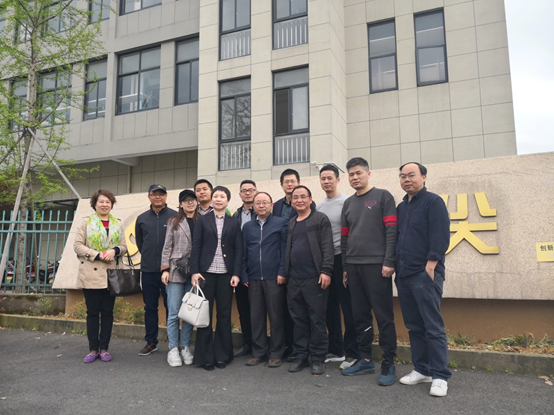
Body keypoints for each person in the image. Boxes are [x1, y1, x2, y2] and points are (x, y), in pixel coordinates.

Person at [395, 162, 451, 397]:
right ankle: (422, 369)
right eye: (403, 176)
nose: (407, 179)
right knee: (414, 325)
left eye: (411, 175)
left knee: (432, 326)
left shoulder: (433, 202)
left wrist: (432, 263)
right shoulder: (401, 207)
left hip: (425, 273)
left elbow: (441, 234)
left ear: (424, 177)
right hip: (404, 274)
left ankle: (440, 376)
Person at [341, 157, 398, 386]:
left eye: (359, 173)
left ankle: (388, 362)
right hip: (353, 266)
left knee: (384, 316)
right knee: (360, 315)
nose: (355, 177)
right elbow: (345, 237)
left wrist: (389, 261)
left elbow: (391, 231)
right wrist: (345, 266)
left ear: (368, 173)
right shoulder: (348, 203)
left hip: (377, 266)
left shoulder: (383, 197)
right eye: (351, 174)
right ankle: (365, 359)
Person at [190, 186, 242, 371]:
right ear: (212, 200)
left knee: (224, 314)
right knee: (204, 315)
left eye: (222, 196)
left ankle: (222, 355)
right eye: (216, 196)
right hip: (206, 274)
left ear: (227, 201)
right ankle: (205, 357)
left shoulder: (234, 222)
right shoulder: (203, 221)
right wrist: (194, 271)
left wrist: (236, 273)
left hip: (226, 275)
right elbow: (196, 246)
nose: (219, 199)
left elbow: (238, 249)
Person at [74, 189, 127, 363]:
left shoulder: (117, 223)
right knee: (92, 312)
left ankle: (104, 348)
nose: (105, 205)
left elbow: (124, 246)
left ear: (112, 204)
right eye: (101, 202)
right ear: (94, 204)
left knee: (107, 312)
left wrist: (114, 250)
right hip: (91, 272)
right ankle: (93, 349)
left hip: (111, 274)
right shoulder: (86, 222)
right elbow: (77, 246)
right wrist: (97, 254)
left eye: (108, 202)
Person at [285, 185, 334, 375]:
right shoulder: (292, 222)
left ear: (310, 199)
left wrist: (326, 271)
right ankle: (301, 356)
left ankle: (318, 358)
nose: (299, 200)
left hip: (315, 279)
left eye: (303, 196)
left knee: (317, 319)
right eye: (295, 197)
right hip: (294, 279)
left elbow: (327, 246)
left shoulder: (320, 219)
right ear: (291, 202)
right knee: (299, 320)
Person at [316, 164, 359, 369]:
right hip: (326, 261)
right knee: (329, 307)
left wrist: (347, 263)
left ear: (338, 179)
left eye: (329, 178)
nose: (326, 182)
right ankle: (336, 349)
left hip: (344, 258)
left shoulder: (347, 202)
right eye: (323, 178)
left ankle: (353, 352)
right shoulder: (319, 206)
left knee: (348, 306)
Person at [272, 169, 315, 359]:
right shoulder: (276, 206)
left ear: (299, 182)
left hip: (305, 267)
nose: (290, 184)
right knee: (288, 309)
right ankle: (291, 347)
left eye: (293, 181)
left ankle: (311, 350)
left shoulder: (309, 206)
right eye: (286, 182)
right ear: (281, 185)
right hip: (282, 263)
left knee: (308, 311)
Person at [241, 192, 288, 368]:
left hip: (274, 277)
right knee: (256, 317)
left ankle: (276, 353)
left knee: (276, 316)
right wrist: (244, 274)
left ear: (271, 205)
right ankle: (258, 352)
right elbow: (243, 252)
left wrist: (282, 271)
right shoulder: (247, 227)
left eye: (265, 202)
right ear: (253, 206)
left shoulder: (281, 223)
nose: (261, 205)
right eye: (258, 203)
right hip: (253, 278)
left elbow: (285, 250)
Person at [135, 184, 177, 356]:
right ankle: (151, 342)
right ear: (149, 197)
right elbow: (140, 243)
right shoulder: (142, 219)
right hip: (149, 271)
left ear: (166, 196)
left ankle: (173, 343)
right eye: (154, 194)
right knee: (150, 308)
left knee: (171, 307)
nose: (158, 197)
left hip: (171, 271)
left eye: (161, 194)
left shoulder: (175, 216)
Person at [160, 189, 199, 367]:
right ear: (181, 204)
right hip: (176, 270)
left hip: (194, 272)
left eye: (193, 199)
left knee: (189, 313)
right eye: (186, 200)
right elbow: (167, 246)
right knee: (174, 312)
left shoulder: (202, 220)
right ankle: (173, 348)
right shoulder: (174, 221)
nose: (190, 203)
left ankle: (185, 346)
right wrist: (165, 269)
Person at [231, 180, 258, 358]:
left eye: (251, 190)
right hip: (240, 267)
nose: (247, 193)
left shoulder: (262, 212)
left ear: (256, 192)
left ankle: (260, 344)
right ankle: (247, 343)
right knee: (243, 309)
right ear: (240, 194)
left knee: (260, 309)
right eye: (244, 190)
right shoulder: (235, 215)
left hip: (259, 267)